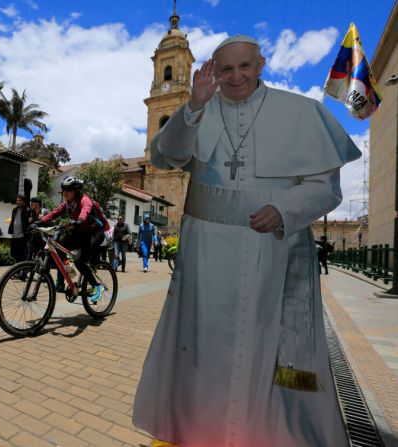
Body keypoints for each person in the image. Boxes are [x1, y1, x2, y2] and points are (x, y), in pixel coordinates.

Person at [132, 35, 361, 447]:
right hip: (206, 255)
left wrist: (287, 210)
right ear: (214, 73)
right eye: (226, 69)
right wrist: (195, 108)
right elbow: (167, 157)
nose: (235, 77)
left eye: (244, 67)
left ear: (261, 65)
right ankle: (199, 430)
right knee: (203, 348)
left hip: (273, 250)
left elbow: (326, 188)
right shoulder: (197, 109)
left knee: (266, 350)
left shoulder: (300, 112)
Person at [30, 176, 109, 303]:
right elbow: (53, 213)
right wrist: (38, 222)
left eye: (68, 190)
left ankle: (97, 286)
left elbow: (86, 210)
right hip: (81, 232)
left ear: (76, 190)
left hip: (95, 232)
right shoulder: (67, 204)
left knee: (79, 261)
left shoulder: (85, 200)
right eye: (63, 190)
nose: (65, 193)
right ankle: (66, 279)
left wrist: (80, 221)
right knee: (59, 247)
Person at [8, 194, 29, 263]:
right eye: (17, 200)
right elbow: (13, 221)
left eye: (20, 200)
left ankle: (20, 272)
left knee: (21, 256)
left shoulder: (27, 210)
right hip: (14, 236)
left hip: (22, 237)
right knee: (14, 254)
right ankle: (16, 271)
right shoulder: (14, 210)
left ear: (24, 202)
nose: (18, 202)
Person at [27, 196, 49, 261]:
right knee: (29, 256)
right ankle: (26, 270)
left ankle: (44, 270)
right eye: (31, 203)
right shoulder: (29, 212)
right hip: (32, 238)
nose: (30, 205)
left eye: (32, 203)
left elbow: (52, 223)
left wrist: (43, 219)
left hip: (43, 239)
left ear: (37, 204)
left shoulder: (45, 212)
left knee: (43, 257)